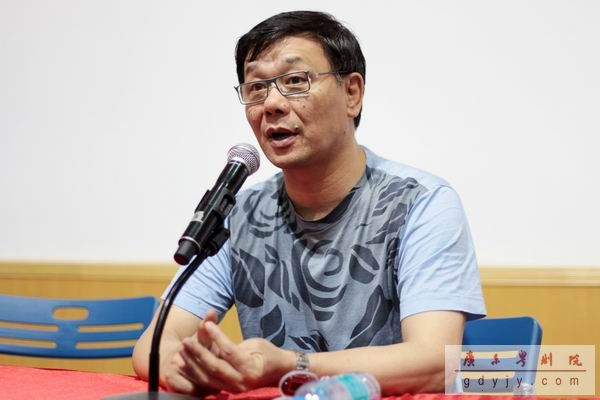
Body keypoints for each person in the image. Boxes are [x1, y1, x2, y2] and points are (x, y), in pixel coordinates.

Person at [132, 10, 486, 396]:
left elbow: (436, 362)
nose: (272, 103)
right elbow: (154, 345)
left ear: (352, 93)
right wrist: (203, 372)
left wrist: (291, 366)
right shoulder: (242, 214)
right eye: (256, 87)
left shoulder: (421, 203)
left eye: (295, 81)